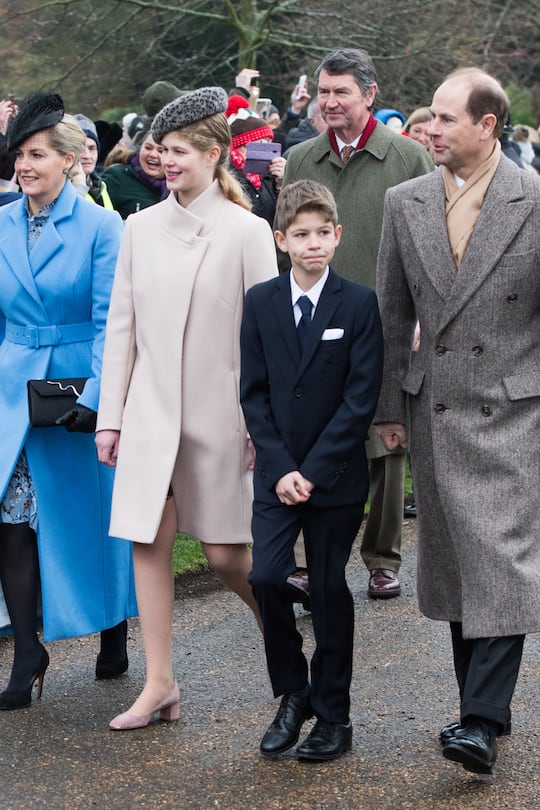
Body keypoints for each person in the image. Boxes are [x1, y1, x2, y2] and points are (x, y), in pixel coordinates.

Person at [95, 86, 278, 730]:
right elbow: (122, 327)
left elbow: (269, 339)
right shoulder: (138, 228)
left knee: (229, 555)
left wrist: (264, 421)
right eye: (161, 150)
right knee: (147, 542)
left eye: (178, 152)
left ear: (213, 153)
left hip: (221, 414)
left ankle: (282, 646)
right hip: (149, 414)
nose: (166, 162)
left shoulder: (247, 231)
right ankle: (160, 683)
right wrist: (110, 417)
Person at [374, 67, 540, 775]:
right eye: (427, 119)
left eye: (444, 119)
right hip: (435, 405)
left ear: (487, 125)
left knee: (500, 561)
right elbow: (391, 316)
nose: (428, 130)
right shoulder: (404, 201)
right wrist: (387, 410)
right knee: (454, 567)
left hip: (513, 410)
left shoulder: (534, 200)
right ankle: (480, 713)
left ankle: (478, 719)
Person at [0, 91, 137, 709]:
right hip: (10, 391)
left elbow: (113, 321)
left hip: (76, 387)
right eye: (18, 155)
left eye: (35, 155)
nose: (24, 165)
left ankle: (113, 628)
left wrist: (101, 399)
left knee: (93, 514)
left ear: (66, 160)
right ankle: (28, 653)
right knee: (12, 518)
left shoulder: (102, 226)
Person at [240, 179, 383, 761]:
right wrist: (279, 468)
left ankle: (334, 715)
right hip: (276, 472)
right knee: (267, 577)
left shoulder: (358, 303)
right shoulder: (261, 302)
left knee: (327, 589)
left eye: (324, 233)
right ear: (282, 240)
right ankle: (293, 693)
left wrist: (315, 471)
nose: (314, 244)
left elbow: (360, 397)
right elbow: (253, 393)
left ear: (338, 235)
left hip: (335, 476)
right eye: (302, 234)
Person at [282, 47, 433, 600]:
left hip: (386, 317)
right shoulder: (301, 159)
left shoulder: (407, 157)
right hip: (314, 316)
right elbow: (288, 236)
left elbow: (429, 242)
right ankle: (305, 560)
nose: (330, 101)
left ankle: (382, 556)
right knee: (310, 429)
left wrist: (422, 314)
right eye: (324, 91)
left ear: (370, 94)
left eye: (342, 91)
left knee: (385, 440)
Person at [100, 130, 166, 218]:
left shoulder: (178, 187)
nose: (153, 154)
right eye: (148, 148)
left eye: (161, 151)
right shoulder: (117, 177)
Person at [71, 113, 114, 208]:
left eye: (92, 148)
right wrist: (78, 188)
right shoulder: (58, 188)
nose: (87, 155)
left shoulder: (101, 186)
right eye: (81, 149)